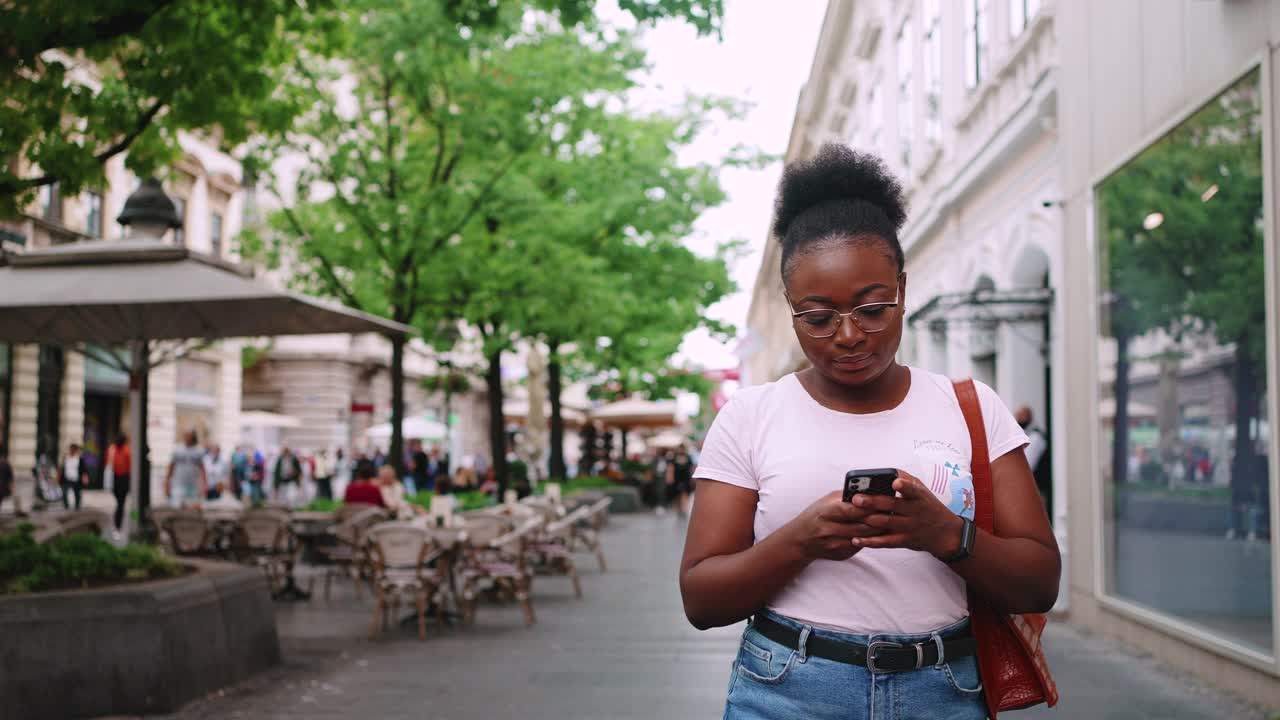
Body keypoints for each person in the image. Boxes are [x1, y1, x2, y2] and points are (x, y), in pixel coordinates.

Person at [679, 145, 1060, 720]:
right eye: (819, 316)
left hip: (945, 692)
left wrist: (946, 534)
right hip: (788, 689)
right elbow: (701, 599)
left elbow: (1039, 583)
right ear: (791, 308)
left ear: (902, 290)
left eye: (872, 307)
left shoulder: (970, 406)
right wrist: (802, 540)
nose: (850, 334)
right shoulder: (751, 414)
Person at [1015, 405, 1052, 511]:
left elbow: (1027, 464)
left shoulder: (1035, 437)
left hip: (1038, 490)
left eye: (1020, 418)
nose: (1017, 421)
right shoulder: (1027, 435)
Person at [165, 431, 207, 508]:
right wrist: (167, 483)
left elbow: (203, 468)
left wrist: (204, 484)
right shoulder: (177, 449)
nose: (187, 438)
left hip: (194, 485)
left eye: (189, 436)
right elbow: (171, 466)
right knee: (177, 506)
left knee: (193, 507)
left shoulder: (199, 450)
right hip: (178, 484)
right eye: (186, 436)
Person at [105, 434, 132, 535]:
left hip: (118, 478)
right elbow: (129, 466)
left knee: (121, 504)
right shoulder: (125, 450)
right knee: (121, 504)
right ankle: (118, 525)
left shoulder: (113, 449)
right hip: (121, 478)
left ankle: (118, 525)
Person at [667, 446, 695, 517]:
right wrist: (670, 478)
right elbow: (671, 468)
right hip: (677, 479)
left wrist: (692, 478)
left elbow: (691, 468)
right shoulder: (674, 457)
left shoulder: (688, 457)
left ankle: (684, 509)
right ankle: (679, 509)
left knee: (685, 494)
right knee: (677, 495)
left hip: (686, 479)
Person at [59, 443, 88, 510]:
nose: (72, 450)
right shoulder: (66, 458)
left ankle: (77, 507)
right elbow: (62, 468)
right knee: (64, 492)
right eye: (71, 449)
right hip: (66, 478)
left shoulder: (79, 459)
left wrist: (85, 477)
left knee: (77, 494)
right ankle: (66, 506)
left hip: (76, 478)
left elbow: (84, 469)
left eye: (74, 449)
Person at [0, 448, 14, 512]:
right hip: (3, 488)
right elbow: (11, 477)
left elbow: (10, 477)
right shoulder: (6, 463)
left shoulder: (5, 464)